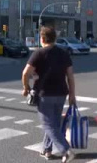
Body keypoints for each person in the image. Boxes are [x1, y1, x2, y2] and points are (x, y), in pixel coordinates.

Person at [22, 27, 76, 163]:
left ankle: (66, 150)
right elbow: (70, 76)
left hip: (45, 94)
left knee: (48, 124)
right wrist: (72, 95)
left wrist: (26, 87)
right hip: (61, 93)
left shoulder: (38, 54)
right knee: (54, 124)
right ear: (54, 38)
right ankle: (47, 149)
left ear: (42, 39)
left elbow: (25, 73)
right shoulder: (64, 53)